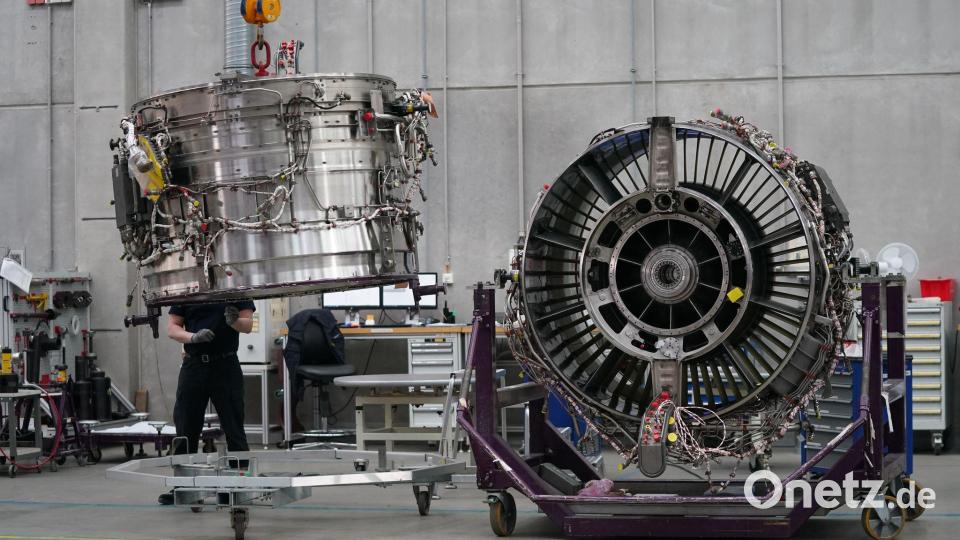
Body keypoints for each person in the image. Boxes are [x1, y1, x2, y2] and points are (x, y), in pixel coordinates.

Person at [157, 300, 255, 505]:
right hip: (194, 365)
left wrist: (235, 321)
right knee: (186, 427)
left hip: (226, 365)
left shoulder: (234, 289)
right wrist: (193, 337)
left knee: (234, 427)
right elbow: (172, 328)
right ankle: (184, 485)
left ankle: (238, 485)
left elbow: (247, 325)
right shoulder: (188, 291)